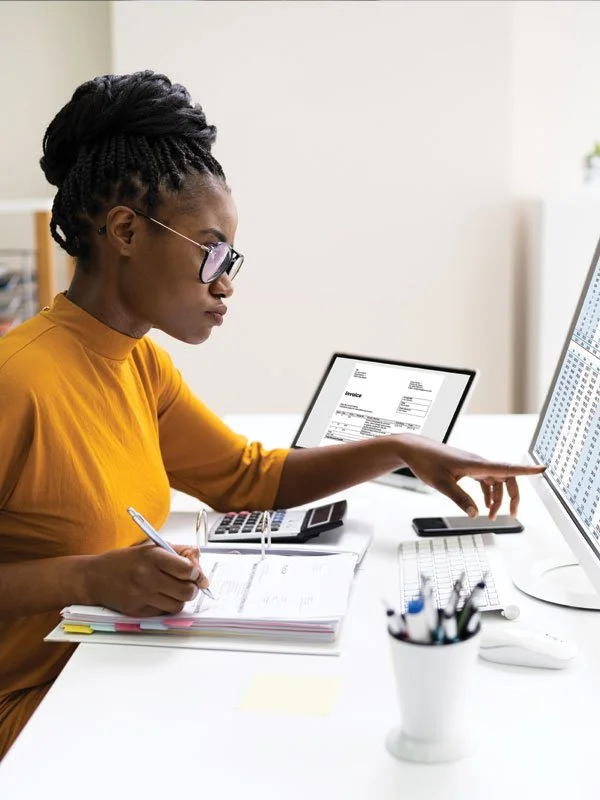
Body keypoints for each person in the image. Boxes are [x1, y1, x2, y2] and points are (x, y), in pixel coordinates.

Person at [0, 70, 543, 759]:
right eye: (211, 252)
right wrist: (88, 577)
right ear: (127, 231)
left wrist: (401, 447)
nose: (225, 284)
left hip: (106, 673)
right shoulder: (17, 382)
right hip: (32, 714)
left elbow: (249, 481)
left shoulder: (139, 365)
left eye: (232, 259)